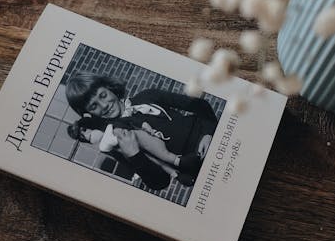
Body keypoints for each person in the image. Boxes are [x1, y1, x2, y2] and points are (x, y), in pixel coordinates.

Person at [65, 72, 219, 191]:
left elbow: (200, 106)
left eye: (103, 95)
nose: (104, 105)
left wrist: (207, 133)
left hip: (214, 141)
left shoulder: (147, 96)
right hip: (200, 172)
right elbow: (159, 183)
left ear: (110, 88)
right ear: (88, 114)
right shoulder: (117, 140)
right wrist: (134, 154)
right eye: (94, 106)